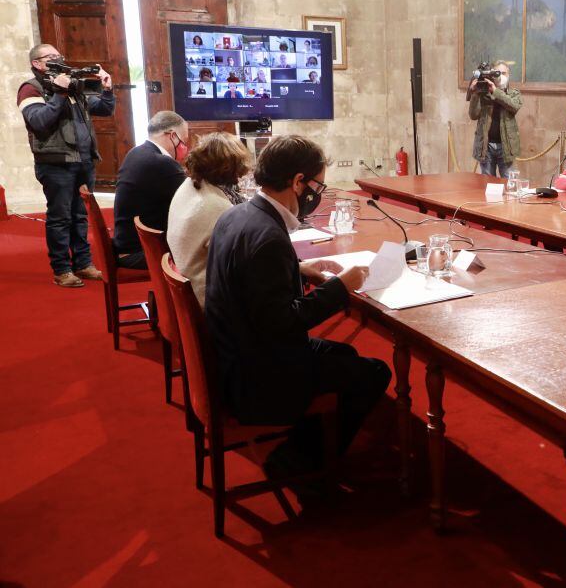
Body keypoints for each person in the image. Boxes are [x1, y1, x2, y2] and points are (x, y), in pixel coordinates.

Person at [204, 135, 392, 483]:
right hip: (258, 376)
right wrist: (341, 287)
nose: (317, 194)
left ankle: (309, 441)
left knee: (346, 355)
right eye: (318, 184)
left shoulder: (239, 216)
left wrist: (299, 269)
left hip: (232, 352)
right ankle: (302, 461)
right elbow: (283, 323)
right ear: (297, 182)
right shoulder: (268, 237)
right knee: (376, 371)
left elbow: (251, 283)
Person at [18, 43, 114, 287]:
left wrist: (107, 88)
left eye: (58, 54)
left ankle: (83, 264)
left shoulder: (72, 86)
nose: (58, 58)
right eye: (50, 56)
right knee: (60, 218)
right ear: (37, 64)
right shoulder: (31, 89)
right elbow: (39, 121)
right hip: (56, 163)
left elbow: (103, 108)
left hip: (83, 160)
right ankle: (61, 269)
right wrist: (59, 94)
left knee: (80, 215)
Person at [167, 133, 250, 306]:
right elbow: (238, 265)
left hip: (187, 283)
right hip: (208, 301)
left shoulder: (189, 185)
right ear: (230, 168)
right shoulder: (216, 206)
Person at [111, 111, 189, 269]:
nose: (185, 147)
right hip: (140, 252)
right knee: (208, 253)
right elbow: (193, 200)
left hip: (126, 243)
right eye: (184, 141)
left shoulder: (136, 152)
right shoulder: (161, 163)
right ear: (172, 136)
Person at [468, 61, 522, 177]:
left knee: (509, 183)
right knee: (487, 184)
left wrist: (495, 91)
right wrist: (475, 94)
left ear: (508, 75)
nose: (501, 76)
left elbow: (514, 106)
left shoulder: (513, 93)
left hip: (506, 147)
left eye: (504, 73)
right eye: (498, 73)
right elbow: (473, 115)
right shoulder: (484, 93)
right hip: (486, 146)